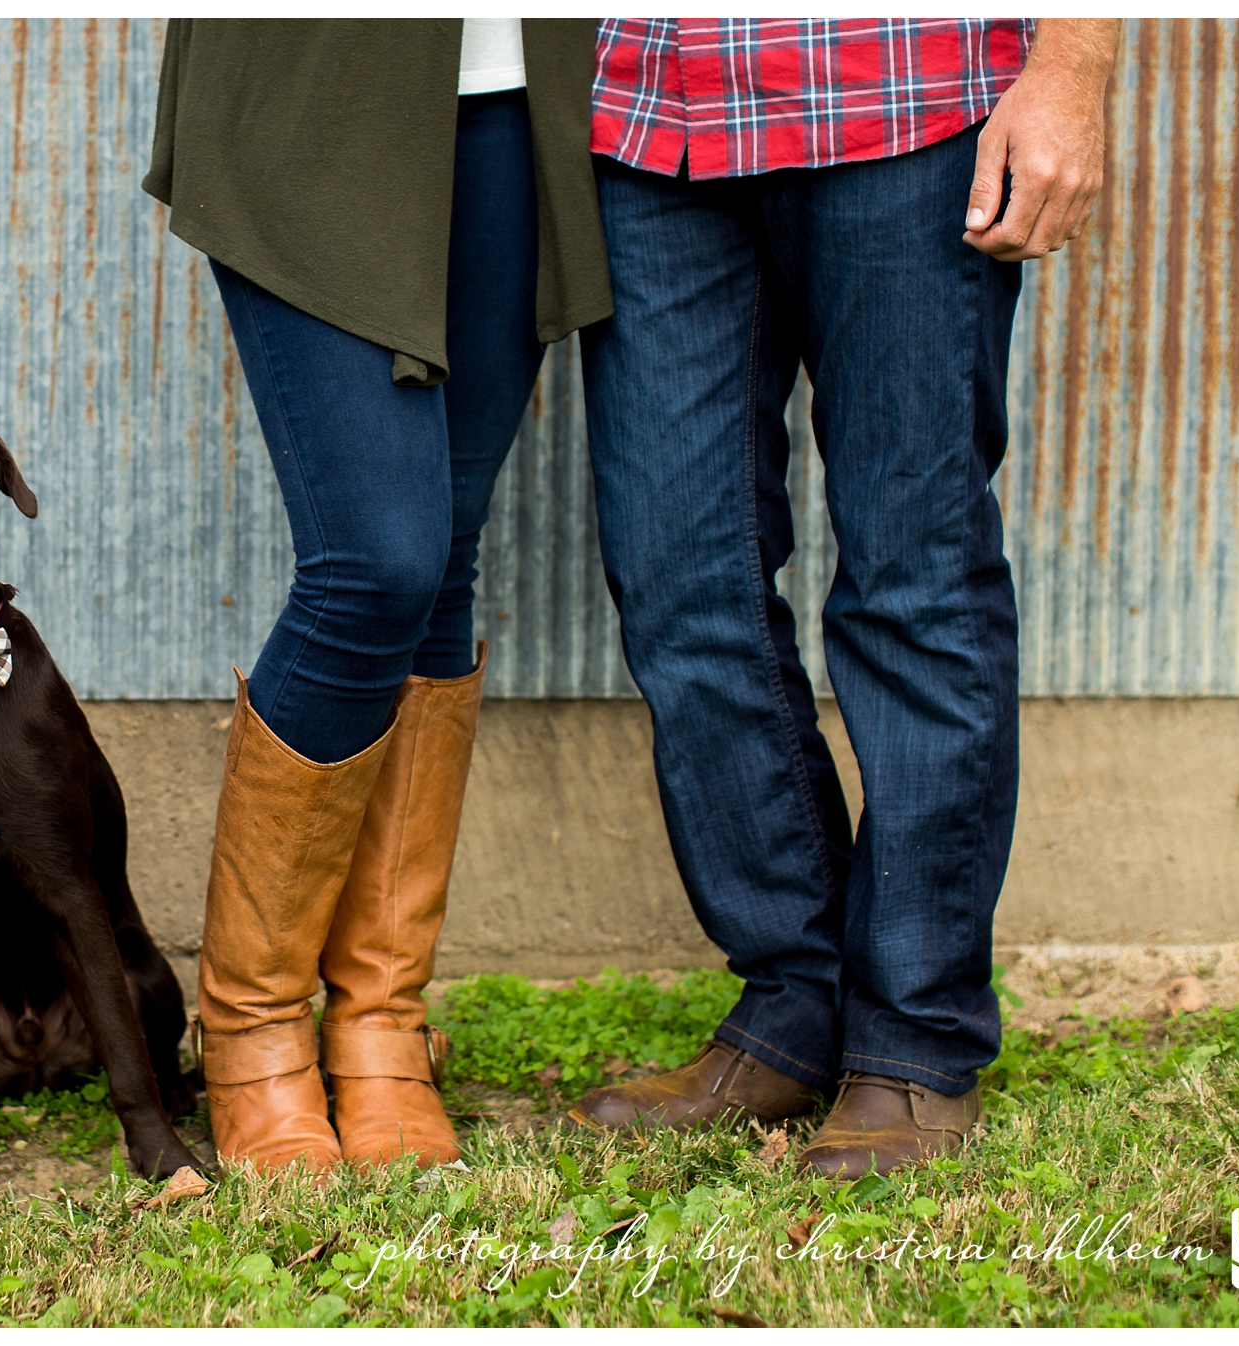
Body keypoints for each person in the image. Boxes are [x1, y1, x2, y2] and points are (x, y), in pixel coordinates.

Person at [567, 18, 1120, 1177]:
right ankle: (796, 1004)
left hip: (903, 94)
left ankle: (915, 1039)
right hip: (644, 118)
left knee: (911, 578)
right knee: (678, 580)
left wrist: (1070, 67)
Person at [144, 19, 610, 1171]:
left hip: (519, 91)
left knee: (440, 560)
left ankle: (377, 1021)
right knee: (376, 562)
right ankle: (251, 1026)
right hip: (314, 93)